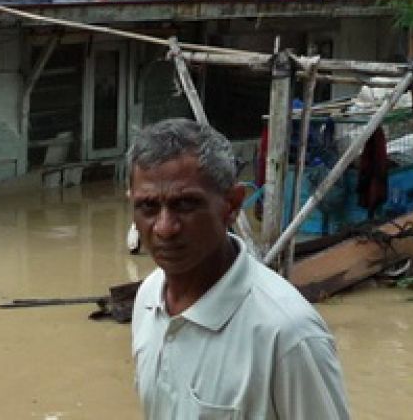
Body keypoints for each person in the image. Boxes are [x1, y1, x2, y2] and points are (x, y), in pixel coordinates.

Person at [127, 118, 350, 419]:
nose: (165, 228)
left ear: (231, 205)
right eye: (148, 207)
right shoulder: (149, 298)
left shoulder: (288, 336)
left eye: (186, 205)